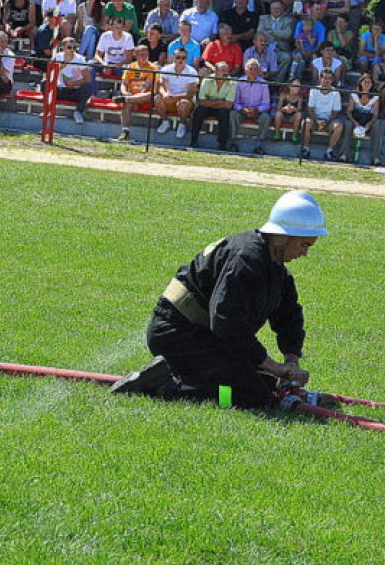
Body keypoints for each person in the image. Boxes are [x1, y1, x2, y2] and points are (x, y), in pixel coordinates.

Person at [111, 191, 328, 411]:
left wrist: (291, 360)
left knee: (262, 383)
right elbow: (228, 323)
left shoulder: (273, 265)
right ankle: (163, 384)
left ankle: (186, 379)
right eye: (304, 245)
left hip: (205, 336)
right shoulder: (245, 260)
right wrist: (272, 366)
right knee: (252, 395)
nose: (305, 253)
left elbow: (288, 315)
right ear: (282, 237)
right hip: (177, 334)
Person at [115, 43, 158, 142]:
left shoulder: (153, 68)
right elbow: (123, 84)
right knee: (127, 103)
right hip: (131, 96)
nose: (145, 57)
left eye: (146, 55)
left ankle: (126, 99)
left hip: (145, 97)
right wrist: (125, 92)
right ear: (136, 55)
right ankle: (125, 132)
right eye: (142, 55)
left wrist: (133, 97)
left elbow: (148, 86)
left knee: (150, 94)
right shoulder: (131, 66)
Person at [189, 59, 235, 149]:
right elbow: (202, 101)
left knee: (225, 113)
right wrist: (219, 102)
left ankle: (222, 144)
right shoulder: (207, 80)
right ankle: (194, 140)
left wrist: (210, 102)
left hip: (219, 108)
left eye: (227, 71)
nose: (225, 73)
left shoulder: (232, 83)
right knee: (199, 111)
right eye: (223, 70)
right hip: (207, 107)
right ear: (216, 71)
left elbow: (229, 105)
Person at [341, 72, 385, 166]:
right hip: (356, 117)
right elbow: (349, 111)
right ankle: (344, 154)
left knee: (377, 125)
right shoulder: (354, 94)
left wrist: (369, 124)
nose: (367, 84)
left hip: (368, 118)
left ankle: (375, 157)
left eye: (369, 82)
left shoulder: (375, 96)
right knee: (348, 125)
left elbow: (375, 114)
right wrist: (355, 122)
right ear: (361, 83)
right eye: (365, 82)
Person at [50, 36, 94, 125]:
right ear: (63, 47)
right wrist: (60, 68)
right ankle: (48, 109)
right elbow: (49, 74)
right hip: (60, 89)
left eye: (74, 47)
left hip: (75, 90)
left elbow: (87, 78)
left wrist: (73, 83)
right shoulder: (57, 57)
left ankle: (78, 111)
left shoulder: (80, 59)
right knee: (44, 83)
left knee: (88, 87)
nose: (72, 50)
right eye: (69, 47)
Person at [155, 47, 197, 138]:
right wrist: (165, 94)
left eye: (183, 58)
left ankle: (182, 124)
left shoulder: (192, 71)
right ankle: (165, 122)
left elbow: (190, 93)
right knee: (157, 98)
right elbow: (161, 85)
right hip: (169, 97)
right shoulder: (166, 69)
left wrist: (174, 97)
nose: (180, 60)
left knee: (184, 103)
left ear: (187, 59)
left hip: (183, 99)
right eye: (178, 57)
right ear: (173, 57)